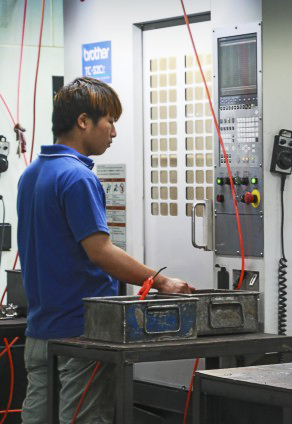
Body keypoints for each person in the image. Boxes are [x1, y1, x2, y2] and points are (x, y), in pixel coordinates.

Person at [17, 77, 194, 423]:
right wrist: (160, 281)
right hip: (81, 332)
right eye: (110, 121)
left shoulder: (31, 175)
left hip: (40, 332)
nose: (113, 132)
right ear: (83, 121)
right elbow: (100, 251)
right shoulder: (78, 178)